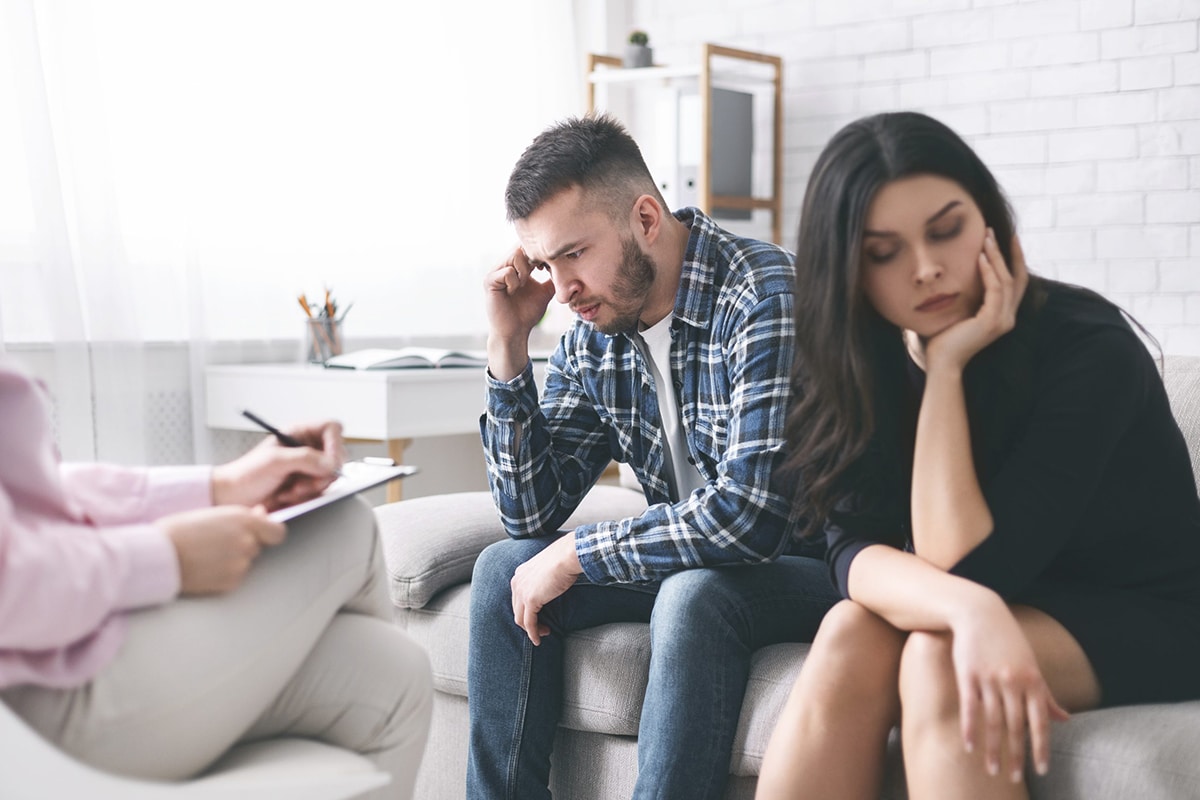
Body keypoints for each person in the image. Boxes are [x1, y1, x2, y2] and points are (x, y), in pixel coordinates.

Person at [757, 111, 1200, 800]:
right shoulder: (855, 358)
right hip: (1006, 599)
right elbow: (848, 548)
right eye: (885, 252)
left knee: (941, 662)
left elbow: (964, 566)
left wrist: (947, 371)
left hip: (1150, 613)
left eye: (946, 230)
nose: (927, 268)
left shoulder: (1089, 349)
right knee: (849, 632)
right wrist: (972, 610)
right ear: (849, 269)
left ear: (988, 222)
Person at [469, 113, 839, 800]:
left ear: (645, 219)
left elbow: (749, 516)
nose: (561, 287)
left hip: (810, 564)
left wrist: (577, 555)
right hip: (691, 562)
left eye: (574, 253)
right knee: (503, 570)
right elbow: (532, 512)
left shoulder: (762, 296)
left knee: (696, 594)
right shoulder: (594, 333)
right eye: (546, 263)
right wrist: (509, 348)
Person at [0, 356, 433, 800]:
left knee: (395, 673)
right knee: (342, 523)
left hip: (62, 650)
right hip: (32, 705)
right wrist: (165, 555)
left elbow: (38, 495)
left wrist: (217, 487)